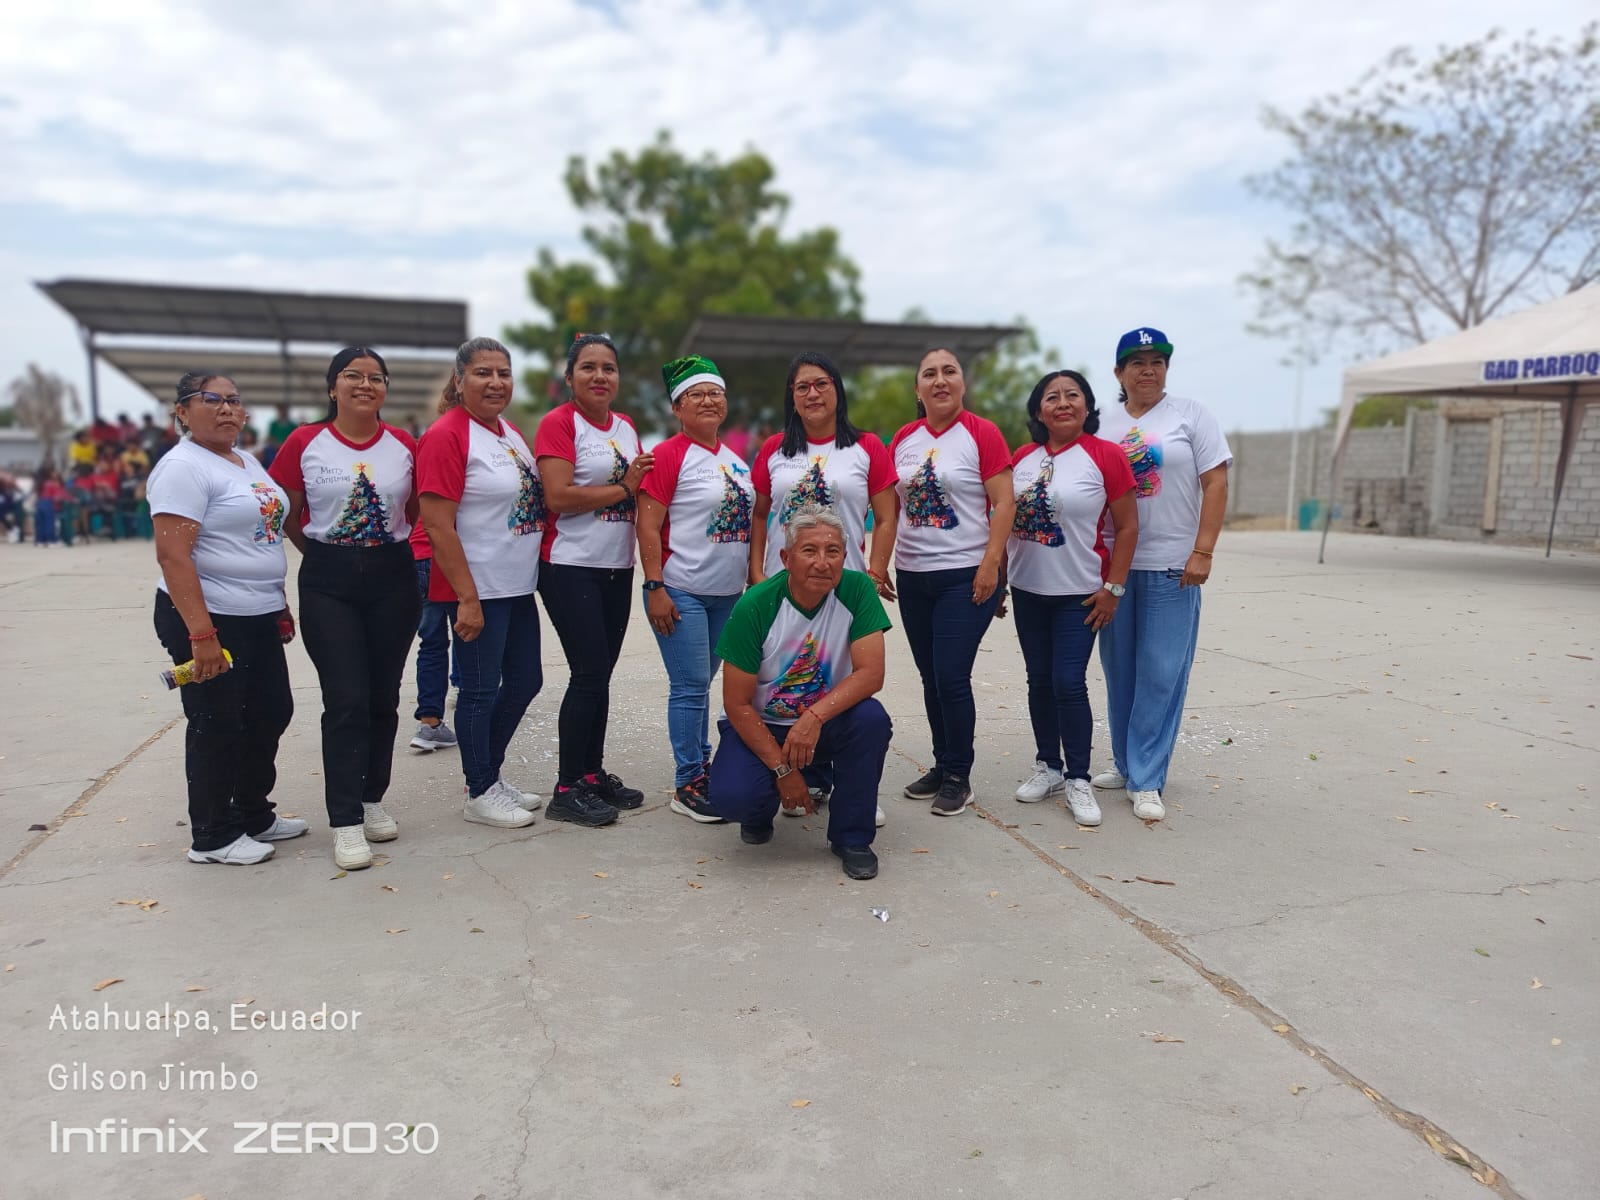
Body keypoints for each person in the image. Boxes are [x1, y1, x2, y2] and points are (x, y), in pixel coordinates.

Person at [270, 348, 422, 870]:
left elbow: (415, 511)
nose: (365, 384)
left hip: (392, 577)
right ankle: (345, 820)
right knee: (347, 698)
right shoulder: (304, 441)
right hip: (328, 581)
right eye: (352, 376)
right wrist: (322, 554)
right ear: (332, 387)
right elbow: (287, 513)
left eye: (376, 377)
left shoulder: (403, 444)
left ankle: (371, 797)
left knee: (383, 697)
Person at [147, 371, 305, 865]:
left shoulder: (245, 460)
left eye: (234, 400)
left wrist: (277, 601)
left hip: (257, 612)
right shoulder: (182, 468)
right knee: (217, 722)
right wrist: (202, 635)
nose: (226, 409)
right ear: (182, 411)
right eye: (211, 399)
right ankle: (212, 835)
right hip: (210, 616)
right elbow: (174, 557)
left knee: (271, 712)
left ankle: (252, 813)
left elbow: (260, 538)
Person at [708, 504, 893, 880]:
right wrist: (782, 770)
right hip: (764, 723)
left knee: (871, 720)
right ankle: (760, 809)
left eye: (833, 551)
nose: (822, 563)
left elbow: (871, 674)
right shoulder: (756, 605)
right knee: (734, 798)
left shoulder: (857, 590)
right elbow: (737, 703)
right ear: (786, 558)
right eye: (809, 551)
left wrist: (814, 717)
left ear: (845, 555)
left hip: (825, 722)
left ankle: (852, 837)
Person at [749, 352, 897, 824]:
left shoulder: (866, 447)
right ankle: (804, 772)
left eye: (821, 384)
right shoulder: (775, 449)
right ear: (791, 398)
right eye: (802, 387)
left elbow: (886, 515)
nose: (812, 393)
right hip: (784, 589)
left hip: (844, 587)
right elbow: (759, 514)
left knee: (843, 682)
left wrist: (874, 573)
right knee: (791, 679)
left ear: (837, 390)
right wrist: (756, 573)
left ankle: (854, 786)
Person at [1093, 328, 1232, 821]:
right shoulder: (1100, 421)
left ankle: (1148, 776)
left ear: (1167, 369)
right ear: (1119, 373)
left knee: (1161, 671)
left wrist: (1203, 551)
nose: (1148, 370)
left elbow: (1216, 482)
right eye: (1137, 362)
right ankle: (1125, 764)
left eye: (1157, 361)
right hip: (1114, 567)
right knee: (1120, 670)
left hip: (1173, 565)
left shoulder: (1191, 415)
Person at [415, 337, 544, 831]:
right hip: (479, 588)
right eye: (483, 373)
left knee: (526, 681)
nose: (495, 382)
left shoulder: (507, 432)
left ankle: (489, 775)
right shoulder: (448, 435)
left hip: (516, 585)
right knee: (478, 690)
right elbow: (437, 524)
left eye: (503, 373)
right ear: (459, 380)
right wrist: (466, 598)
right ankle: (479, 789)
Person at [1007, 370, 1138, 826]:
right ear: (1038, 410)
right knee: (1039, 680)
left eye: (1072, 395)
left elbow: (1128, 527)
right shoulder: (1022, 458)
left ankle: (1078, 777)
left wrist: (1113, 588)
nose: (1063, 403)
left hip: (1080, 594)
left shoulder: (1106, 456)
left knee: (1068, 682)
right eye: (1052, 397)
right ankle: (1049, 766)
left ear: (1087, 405)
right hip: (1027, 589)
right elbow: (1001, 518)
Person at [888, 348, 1014, 816]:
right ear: (918, 389)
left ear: (962, 382)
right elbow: (890, 507)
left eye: (949, 372)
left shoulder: (982, 433)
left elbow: (1005, 503)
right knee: (930, 677)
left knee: (951, 676)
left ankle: (960, 775)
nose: (940, 380)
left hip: (965, 575)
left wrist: (991, 565)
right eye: (929, 374)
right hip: (913, 575)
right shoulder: (904, 438)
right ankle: (942, 764)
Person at [533, 332, 653, 827]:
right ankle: (565, 789)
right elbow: (558, 496)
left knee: (600, 674)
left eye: (608, 368)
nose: (599, 376)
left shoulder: (624, 426)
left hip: (615, 566)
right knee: (588, 672)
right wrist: (624, 487)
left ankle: (590, 773)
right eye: (588, 367)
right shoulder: (560, 423)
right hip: (569, 565)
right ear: (569, 377)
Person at [636, 355, 755, 823]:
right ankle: (688, 782)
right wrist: (654, 586)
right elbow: (648, 526)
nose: (708, 401)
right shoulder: (667, 455)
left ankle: (702, 765)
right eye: (696, 395)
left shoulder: (735, 462)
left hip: (727, 596)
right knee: (688, 687)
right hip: (680, 589)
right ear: (677, 407)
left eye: (715, 393)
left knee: (701, 684)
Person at [406, 502, 459, 753]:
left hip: (417, 556)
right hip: (450, 555)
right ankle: (474, 711)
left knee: (431, 643)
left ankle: (429, 721)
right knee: (470, 636)